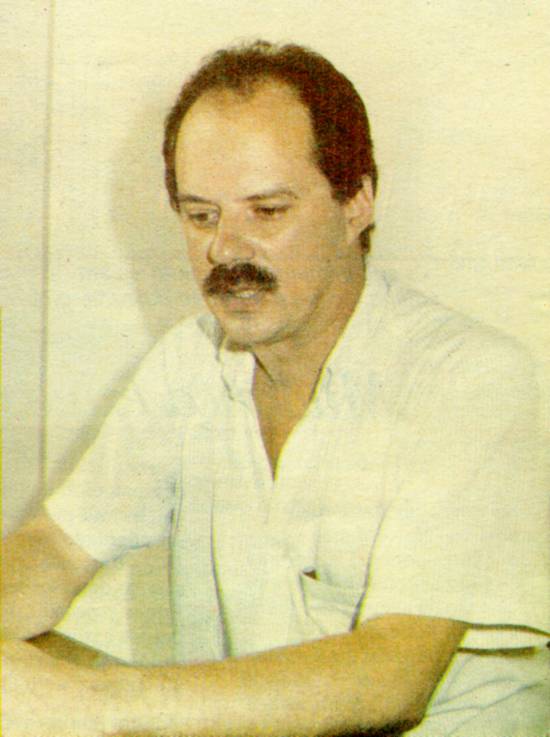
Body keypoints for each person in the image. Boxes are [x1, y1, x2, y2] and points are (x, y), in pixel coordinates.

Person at [2, 40, 549, 737]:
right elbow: (56, 548)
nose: (226, 249)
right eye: (201, 215)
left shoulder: (469, 377)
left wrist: (95, 702)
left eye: (266, 211)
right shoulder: (188, 365)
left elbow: (395, 673)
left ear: (356, 203)